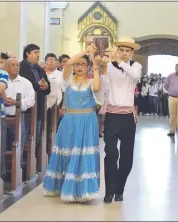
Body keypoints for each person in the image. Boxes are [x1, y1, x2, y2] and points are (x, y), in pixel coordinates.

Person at [43, 44, 106, 202]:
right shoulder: (67, 80)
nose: (79, 67)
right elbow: (69, 63)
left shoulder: (91, 82)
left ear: (88, 67)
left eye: (83, 64)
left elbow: (98, 87)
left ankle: (85, 191)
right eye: (78, 64)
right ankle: (65, 187)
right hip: (70, 121)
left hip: (87, 120)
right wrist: (86, 51)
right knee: (69, 153)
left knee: (84, 154)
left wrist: (96, 66)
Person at [102, 36, 142, 203]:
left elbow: (136, 77)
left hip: (127, 116)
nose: (124, 53)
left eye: (127, 51)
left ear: (132, 52)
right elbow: (104, 86)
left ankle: (120, 189)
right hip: (112, 115)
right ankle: (109, 190)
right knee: (111, 153)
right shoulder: (109, 66)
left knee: (126, 156)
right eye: (121, 50)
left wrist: (121, 61)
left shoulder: (135, 66)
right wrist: (103, 67)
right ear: (117, 50)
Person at [164, 64, 178, 136]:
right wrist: (171, 91)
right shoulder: (170, 76)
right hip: (171, 97)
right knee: (172, 115)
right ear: (175, 68)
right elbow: (166, 85)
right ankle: (172, 130)